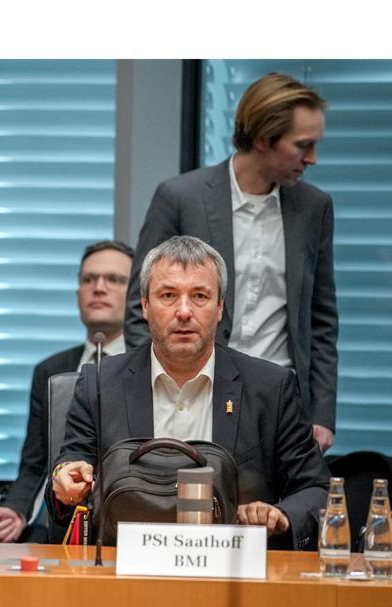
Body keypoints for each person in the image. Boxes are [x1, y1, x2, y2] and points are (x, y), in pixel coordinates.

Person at [54, 236, 329, 550]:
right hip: (126, 573)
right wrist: (66, 483)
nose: (183, 311)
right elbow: (68, 477)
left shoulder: (270, 387)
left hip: (234, 572)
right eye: (168, 295)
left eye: (199, 296)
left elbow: (316, 490)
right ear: (144, 305)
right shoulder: (100, 382)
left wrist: (280, 515)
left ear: (220, 306)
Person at [124, 72, 337, 454]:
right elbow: (140, 304)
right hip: (195, 392)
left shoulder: (314, 208)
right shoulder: (180, 197)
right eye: (302, 145)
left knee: (272, 513)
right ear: (262, 139)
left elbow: (321, 320)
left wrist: (321, 413)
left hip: (279, 402)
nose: (312, 158)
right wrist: (145, 396)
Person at [0, 240, 133, 543]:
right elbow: (35, 465)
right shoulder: (50, 371)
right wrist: (15, 510)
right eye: (88, 279)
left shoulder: (150, 367)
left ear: (137, 296)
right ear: (78, 295)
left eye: (114, 279)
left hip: (128, 521)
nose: (99, 287)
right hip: (60, 518)